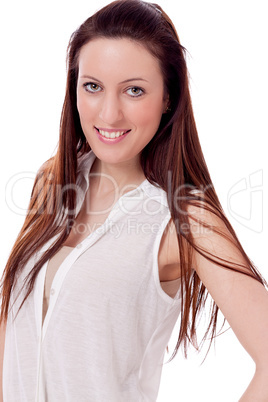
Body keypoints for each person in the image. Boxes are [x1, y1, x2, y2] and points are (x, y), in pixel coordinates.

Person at [0, 0, 268, 400]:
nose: (109, 114)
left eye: (134, 90)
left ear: (168, 98)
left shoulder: (185, 217)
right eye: (93, 86)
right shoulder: (53, 179)